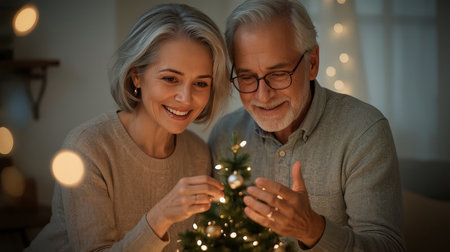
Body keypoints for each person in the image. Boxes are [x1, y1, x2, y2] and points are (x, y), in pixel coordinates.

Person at [26, 3, 229, 252]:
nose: (186, 98)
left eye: (200, 83)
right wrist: (160, 217)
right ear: (136, 76)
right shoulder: (88, 146)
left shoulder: (198, 153)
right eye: (170, 79)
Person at [208, 0, 405, 251]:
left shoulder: (364, 131)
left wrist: (312, 229)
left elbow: (390, 247)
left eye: (278, 73)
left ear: (312, 63)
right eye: (247, 77)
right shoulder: (225, 135)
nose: (263, 95)